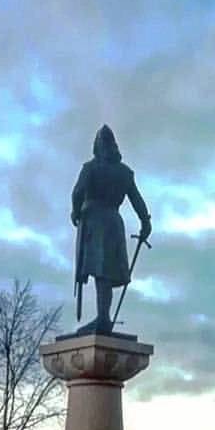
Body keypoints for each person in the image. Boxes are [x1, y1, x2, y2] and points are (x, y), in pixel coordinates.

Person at [71, 125, 151, 335]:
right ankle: (104, 317)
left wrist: (75, 212)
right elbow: (137, 201)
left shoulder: (90, 168)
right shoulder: (124, 172)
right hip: (114, 222)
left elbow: (77, 192)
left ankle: (103, 318)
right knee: (104, 272)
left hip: (95, 221)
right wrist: (145, 222)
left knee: (101, 270)